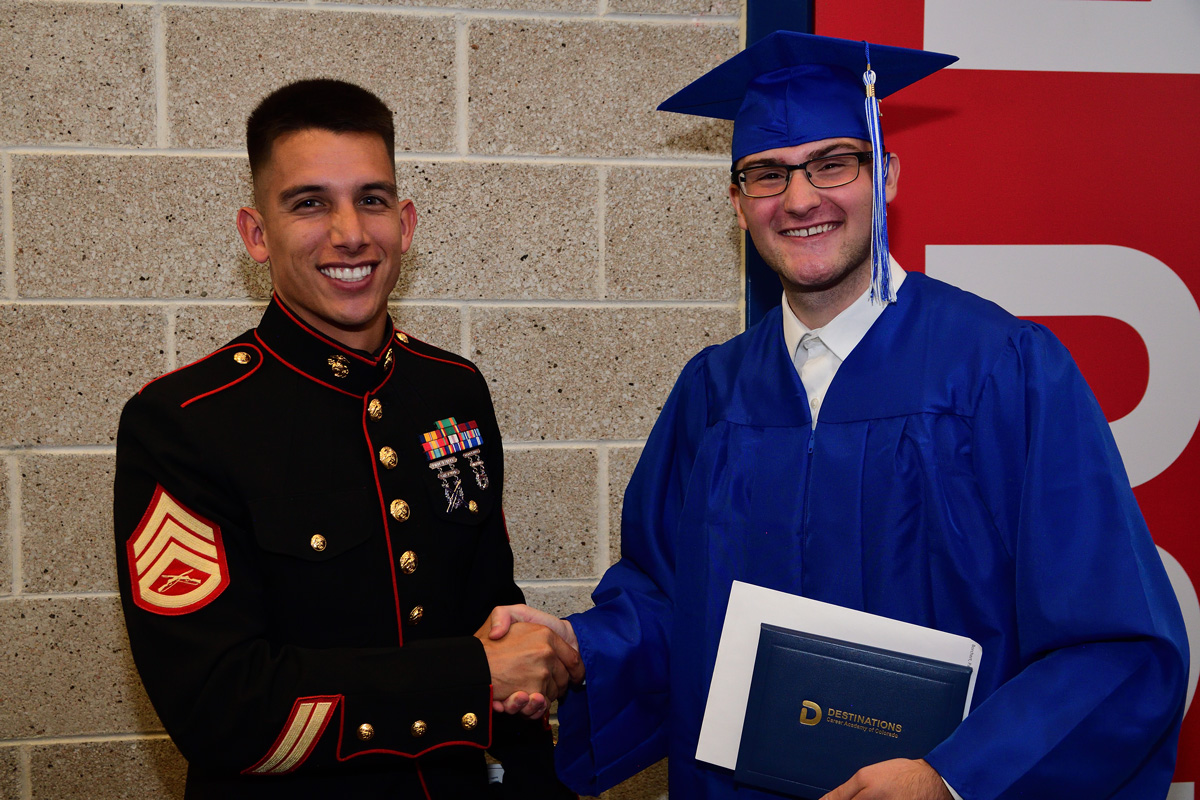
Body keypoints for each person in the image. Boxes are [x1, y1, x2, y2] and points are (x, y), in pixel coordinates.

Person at [485, 32, 1190, 799]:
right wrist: (578, 646)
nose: (799, 198)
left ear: (885, 174)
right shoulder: (715, 394)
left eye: (834, 163)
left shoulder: (1002, 371)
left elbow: (1115, 644)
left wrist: (951, 779)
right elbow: (668, 605)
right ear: (735, 201)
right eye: (767, 174)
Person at [113, 78, 581, 799]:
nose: (351, 232)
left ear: (408, 222)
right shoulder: (186, 422)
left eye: (372, 198)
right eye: (309, 203)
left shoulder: (450, 389)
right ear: (256, 235)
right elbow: (218, 709)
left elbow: (489, 608)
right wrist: (473, 676)